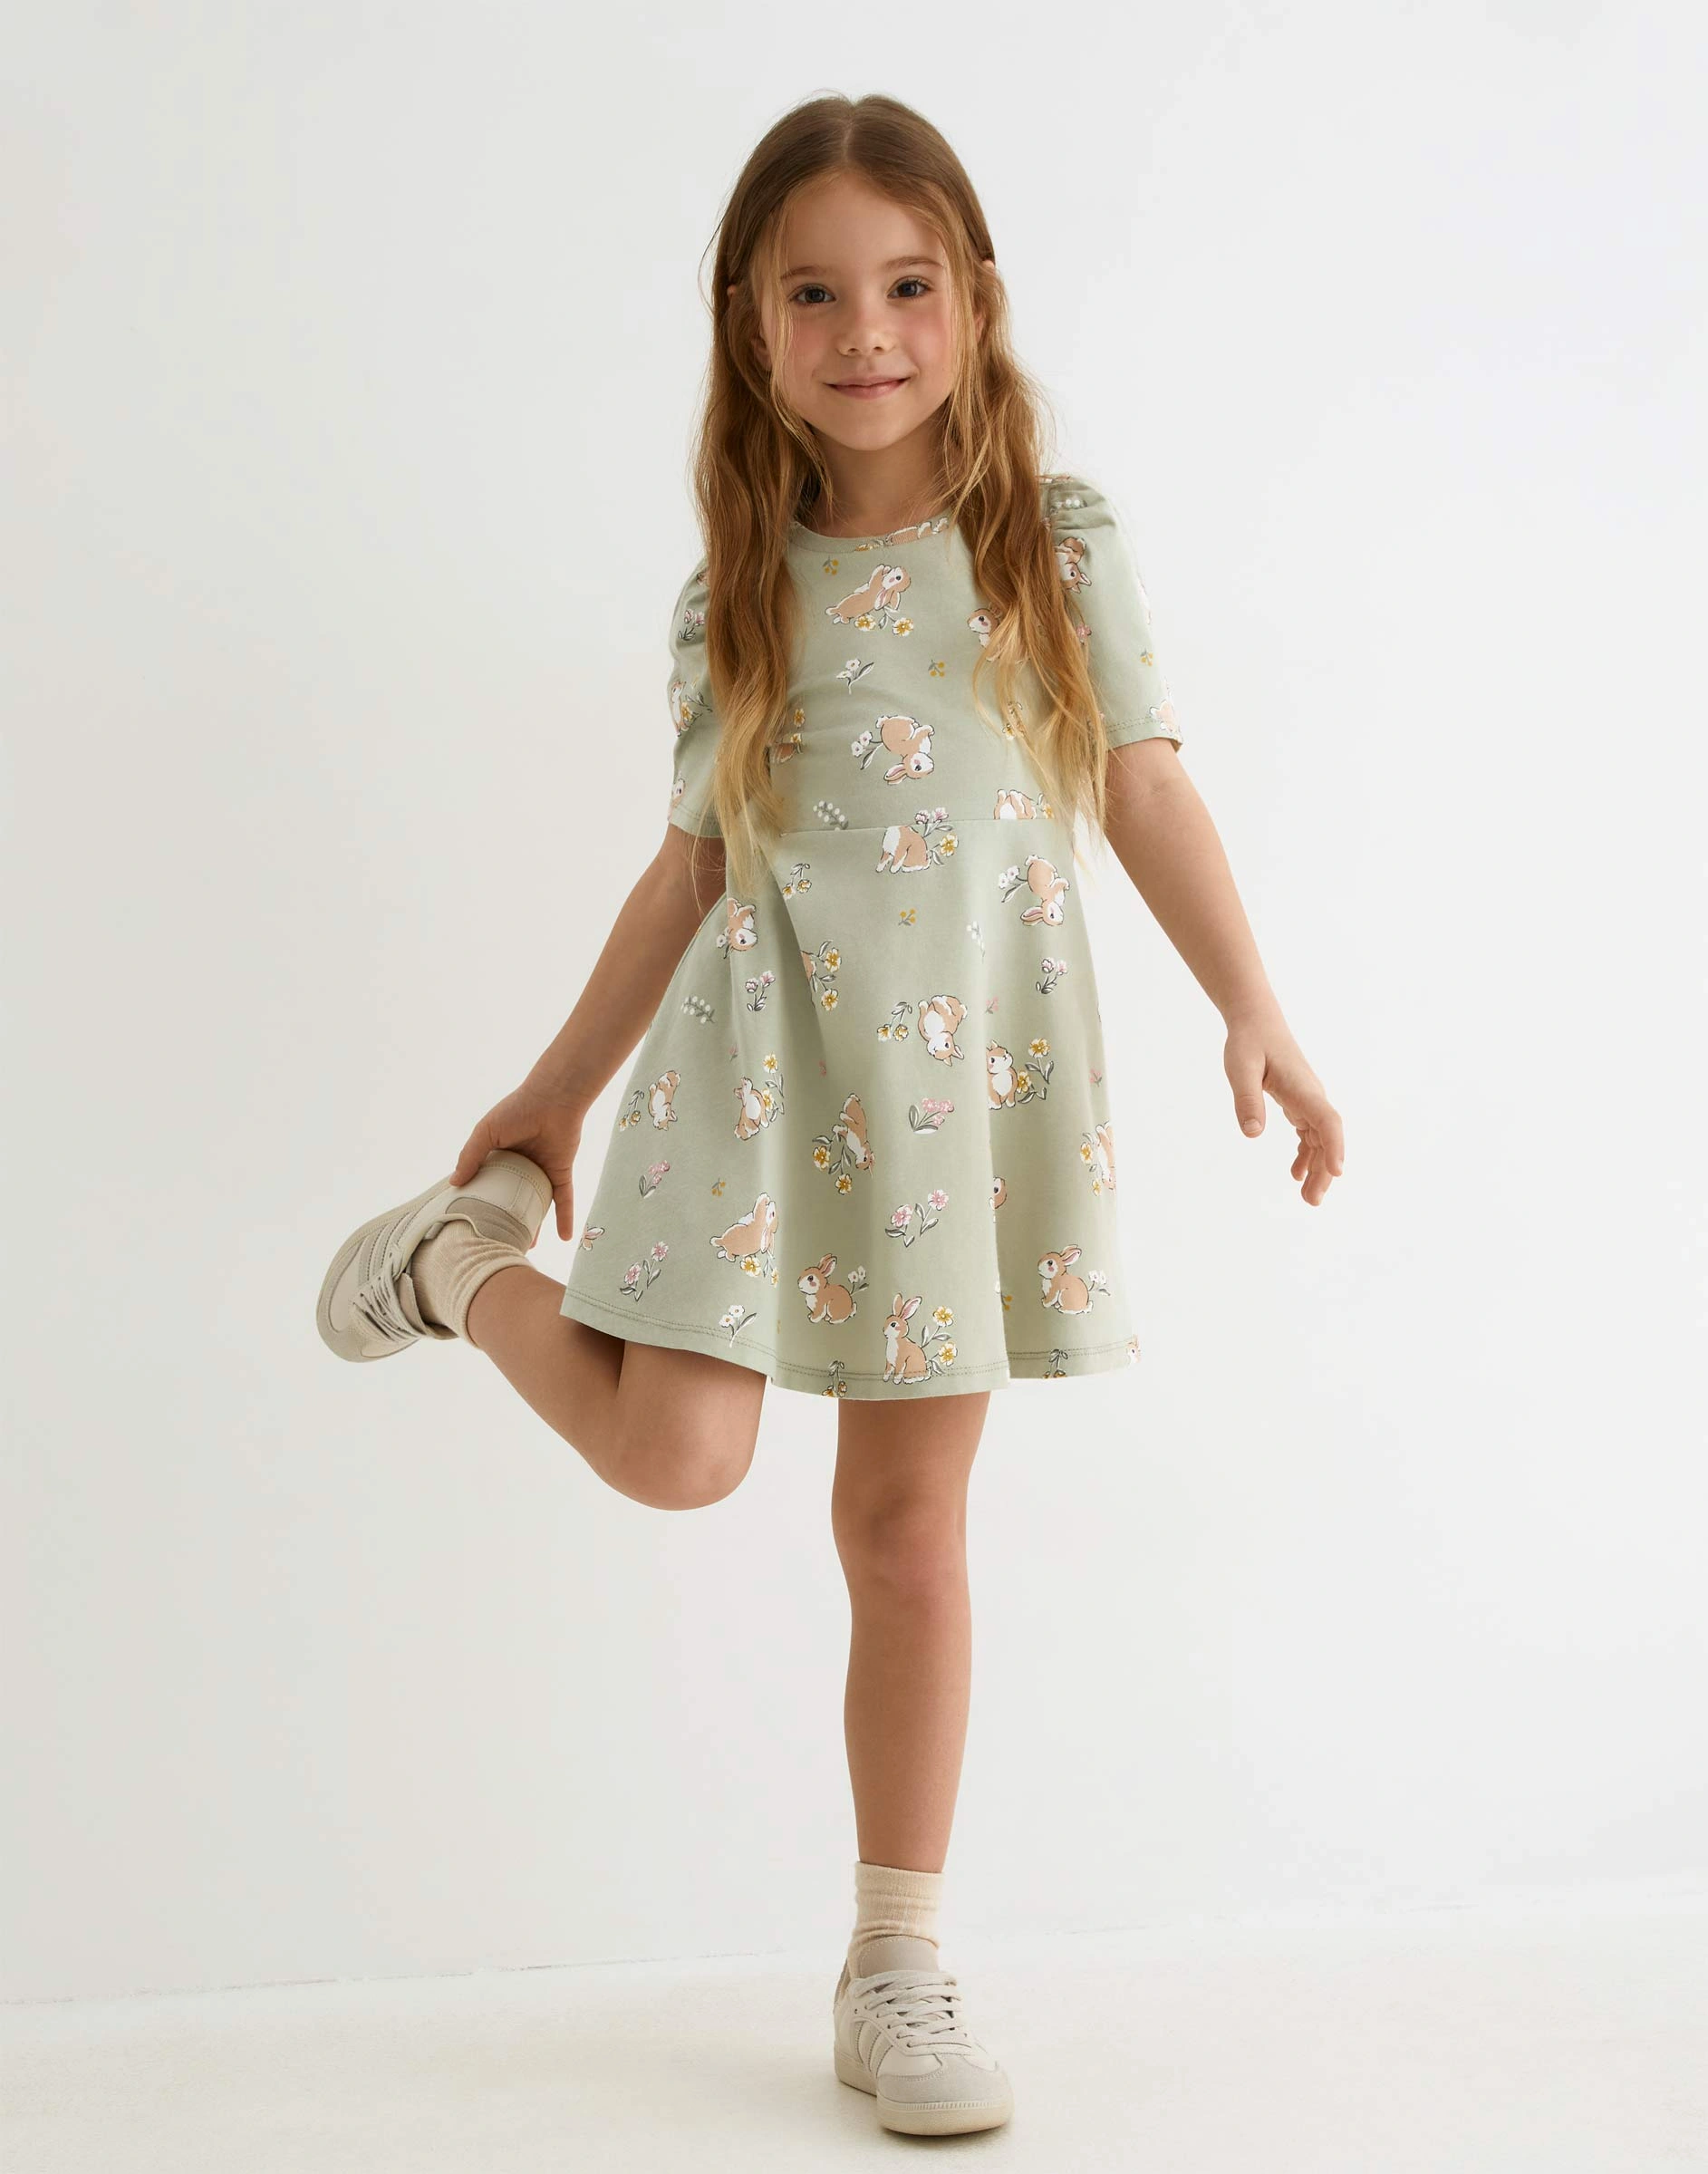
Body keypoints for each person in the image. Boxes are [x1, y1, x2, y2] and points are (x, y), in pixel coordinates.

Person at [315, 91, 1344, 2140]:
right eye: (813, 293)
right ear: (751, 323)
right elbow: (691, 865)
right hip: (762, 1067)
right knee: (680, 1453)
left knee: (905, 1529)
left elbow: (1143, 777)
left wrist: (1257, 1004)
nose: (865, 330)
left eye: (905, 284)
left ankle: (897, 1961)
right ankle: (459, 1270)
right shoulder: (737, 593)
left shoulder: (1054, 543)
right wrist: (547, 1095)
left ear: (974, 299)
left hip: (958, 1099)